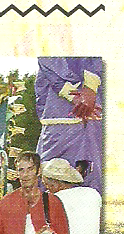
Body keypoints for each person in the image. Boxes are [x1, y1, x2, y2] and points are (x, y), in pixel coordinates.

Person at [35, 57, 102, 192]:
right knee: (48, 179)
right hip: (61, 117)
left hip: (88, 116)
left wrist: (90, 86)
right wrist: (78, 92)